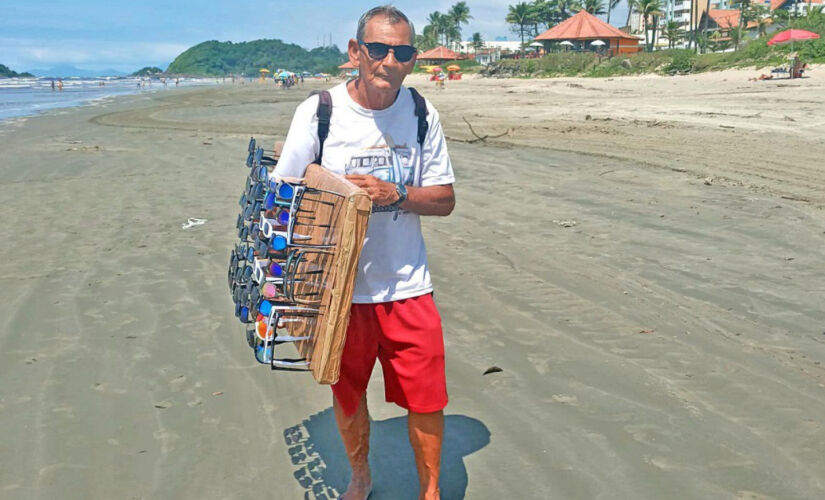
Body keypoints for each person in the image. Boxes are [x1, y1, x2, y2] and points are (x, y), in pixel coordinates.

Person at [274, 5, 455, 500]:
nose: (388, 61)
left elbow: (444, 199)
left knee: (427, 398)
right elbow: (282, 195)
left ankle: (431, 492)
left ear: (413, 60)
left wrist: (394, 194)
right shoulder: (319, 111)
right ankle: (360, 476)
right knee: (348, 392)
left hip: (408, 286)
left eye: (401, 52)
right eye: (377, 49)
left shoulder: (421, 112)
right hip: (339, 292)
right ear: (356, 53)